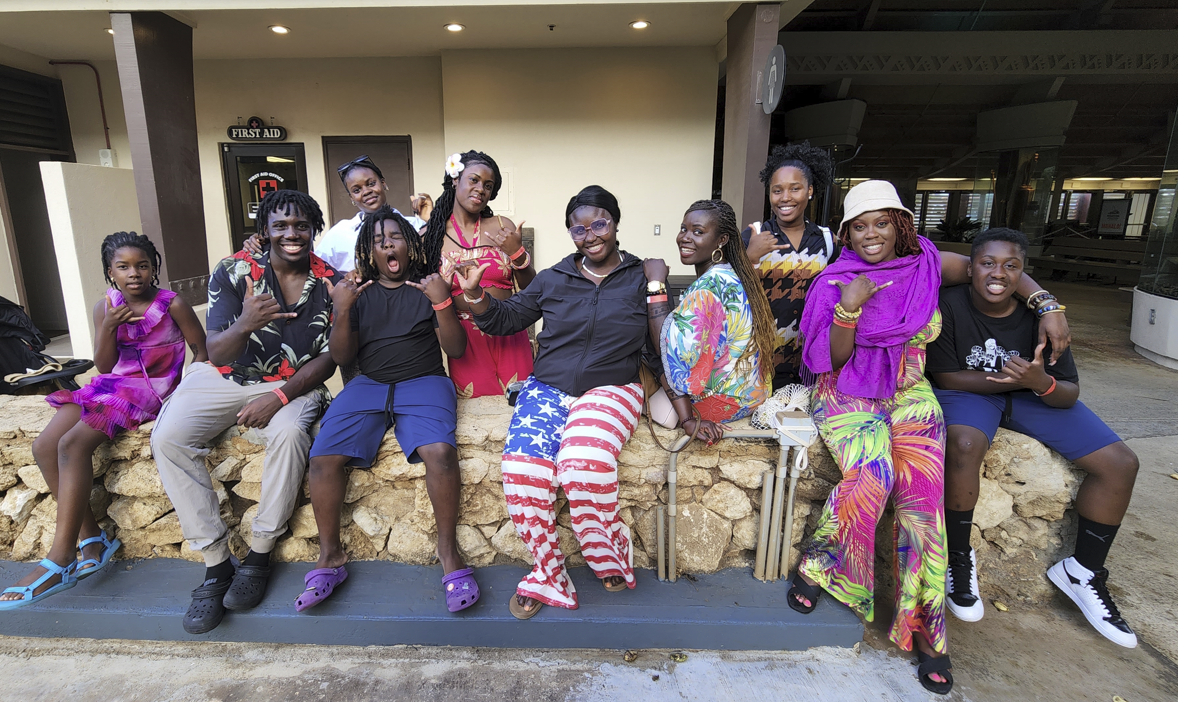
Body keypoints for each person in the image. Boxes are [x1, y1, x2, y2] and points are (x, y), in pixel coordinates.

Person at [456, 185, 668, 619]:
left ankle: (609, 557)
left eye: (600, 224)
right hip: (548, 388)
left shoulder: (639, 274)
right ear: (570, 233)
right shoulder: (555, 277)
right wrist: (475, 295)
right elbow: (506, 319)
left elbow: (665, 341)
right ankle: (548, 573)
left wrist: (657, 284)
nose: (590, 235)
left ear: (615, 222)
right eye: (579, 228)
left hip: (613, 387)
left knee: (582, 462)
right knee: (522, 468)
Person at [927, 227, 1140, 648]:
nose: (998, 274)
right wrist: (1017, 380)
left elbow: (1068, 392)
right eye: (987, 264)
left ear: (1024, 274)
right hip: (974, 392)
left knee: (1122, 463)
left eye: (1011, 266)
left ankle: (1084, 572)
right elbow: (947, 375)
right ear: (970, 269)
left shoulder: (1040, 317)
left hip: (1032, 394)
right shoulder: (949, 304)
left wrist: (1040, 381)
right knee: (965, 444)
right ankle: (958, 557)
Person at [151, 190, 340, 634]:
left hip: (290, 384)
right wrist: (245, 323)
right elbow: (211, 349)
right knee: (168, 437)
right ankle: (216, 565)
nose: (291, 234)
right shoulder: (233, 271)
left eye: (300, 225)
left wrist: (277, 398)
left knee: (291, 434)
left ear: (314, 229)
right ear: (265, 231)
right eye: (280, 225)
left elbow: (329, 358)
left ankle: (258, 554)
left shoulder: (332, 281)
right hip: (223, 376)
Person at [792, 180, 954, 694]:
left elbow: (994, 267)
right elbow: (830, 360)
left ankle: (927, 631)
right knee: (872, 477)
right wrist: (850, 306)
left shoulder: (926, 264)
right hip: (848, 392)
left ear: (901, 225)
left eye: (881, 223)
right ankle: (819, 562)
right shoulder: (835, 280)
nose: (871, 235)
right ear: (846, 233)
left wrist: (1045, 302)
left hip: (910, 392)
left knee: (925, 509)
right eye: (858, 226)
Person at [1, 232, 206, 609]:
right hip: (111, 383)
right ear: (110, 271)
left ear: (153, 268)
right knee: (44, 446)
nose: (134, 274)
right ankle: (92, 537)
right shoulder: (105, 307)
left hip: (149, 391)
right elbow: (105, 365)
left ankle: (60, 559)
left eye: (142, 266)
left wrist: (190, 395)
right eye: (124, 267)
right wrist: (109, 325)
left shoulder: (172, 304)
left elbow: (202, 350)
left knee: (72, 444)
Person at [296, 207, 479, 613]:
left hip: (425, 380)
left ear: (410, 245)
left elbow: (455, 349)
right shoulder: (356, 294)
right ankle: (330, 557)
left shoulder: (427, 288)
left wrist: (442, 302)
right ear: (369, 252)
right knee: (323, 457)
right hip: (369, 384)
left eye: (395, 237)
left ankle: (448, 553)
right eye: (379, 242)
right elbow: (343, 356)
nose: (388, 245)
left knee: (441, 453)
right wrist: (341, 309)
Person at [658, 199, 776, 443]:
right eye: (683, 229)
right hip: (750, 397)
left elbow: (679, 367)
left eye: (698, 232)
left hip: (718, 404)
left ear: (721, 240)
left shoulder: (707, 289)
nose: (685, 238)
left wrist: (655, 286)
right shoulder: (733, 275)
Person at [425, 151, 535, 398]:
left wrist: (517, 254)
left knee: (520, 410)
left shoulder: (502, 226)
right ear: (455, 179)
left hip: (509, 332)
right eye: (473, 180)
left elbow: (531, 289)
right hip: (465, 342)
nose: (480, 189)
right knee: (476, 421)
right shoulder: (433, 236)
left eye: (488, 185)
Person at [741, 143, 838, 389]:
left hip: (810, 360)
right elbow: (730, 292)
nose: (785, 198)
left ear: (810, 191)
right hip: (760, 360)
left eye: (795, 189)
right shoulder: (754, 234)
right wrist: (751, 257)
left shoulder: (826, 240)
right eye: (777, 190)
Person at [245, 156, 406, 273]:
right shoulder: (339, 233)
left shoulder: (413, 225)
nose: (367, 192)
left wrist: (428, 219)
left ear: (383, 183)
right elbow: (312, 265)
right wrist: (266, 244)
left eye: (371, 183)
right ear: (351, 197)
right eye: (356, 190)